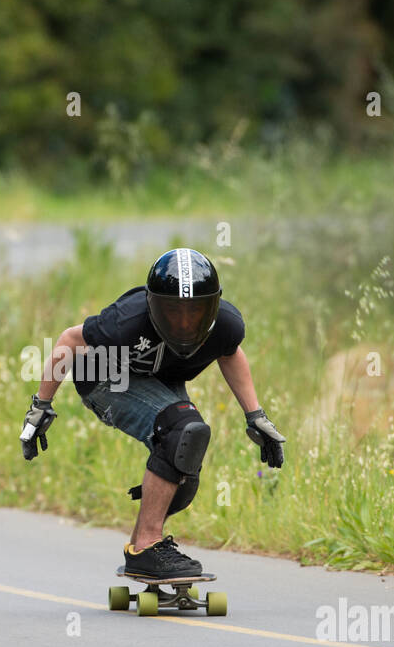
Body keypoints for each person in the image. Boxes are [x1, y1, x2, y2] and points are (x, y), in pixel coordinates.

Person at [19, 247, 285, 581]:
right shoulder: (127, 321)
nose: (186, 323)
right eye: (173, 312)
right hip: (104, 377)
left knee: (186, 466)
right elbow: (70, 340)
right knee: (181, 432)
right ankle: (146, 546)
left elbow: (229, 353)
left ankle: (143, 548)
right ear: (153, 305)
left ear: (214, 307)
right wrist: (41, 406)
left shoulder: (226, 325)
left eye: (196, 312)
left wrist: (255, 415)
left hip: (161, 377)